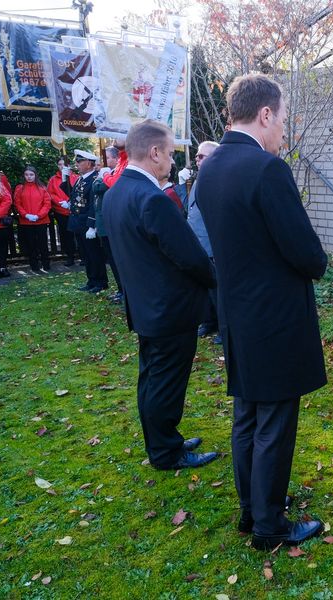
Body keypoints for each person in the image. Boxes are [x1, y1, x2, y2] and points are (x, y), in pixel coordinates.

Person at [198, 74, 328, 551]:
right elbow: (302, 249)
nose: (283, 132)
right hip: (274, 316)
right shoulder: (266, 169)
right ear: (265, 114)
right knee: (273, 420)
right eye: (283, 119)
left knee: (247, 416)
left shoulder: (210, 169)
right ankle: (270, 526)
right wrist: (320, 262)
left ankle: (252, 510)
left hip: (236, 313)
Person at [102, 119, 218, 471]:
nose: (171, 162)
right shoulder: (152, 199)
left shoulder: (116, 192)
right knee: (165, 383)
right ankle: (167, 452)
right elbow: (190, 255)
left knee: (151, 379)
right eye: (168, 154)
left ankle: (162, 440)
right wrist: (215, 278)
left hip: (145, 305)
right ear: (154, 152)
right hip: (169, 310)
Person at [186, 140, 220, 340]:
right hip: (198, 245)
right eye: (197, 156)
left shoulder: (219, 181)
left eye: (201, 156)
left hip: (212, 246)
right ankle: (209, 321)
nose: (197, 160)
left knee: (218, 291)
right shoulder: (200, 179)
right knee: (205, 289)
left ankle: (224, 328)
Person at [62, 148, 107, 292]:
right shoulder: (82, 178)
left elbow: (94, 204)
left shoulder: (94, 178)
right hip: (78, 222)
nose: (77, 164)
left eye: (79, 161)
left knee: (94, 254)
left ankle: (100, 282)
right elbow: (74, 196)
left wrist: (91, 225)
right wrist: (65, 180)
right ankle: (91, 280)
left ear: (89, 163)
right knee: (85, 254)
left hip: (87, 223)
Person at [94, 147, 124, 304]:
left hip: (112, 224)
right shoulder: (109, 173)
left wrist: (104, 175)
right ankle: (121, 289)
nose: (104, 162)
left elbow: (101, 187)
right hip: (105, 224)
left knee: (118, 260)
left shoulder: (116, 173)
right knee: (112, 260)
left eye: (107, 158)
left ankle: (124, 290)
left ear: (116, 159)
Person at [14, 166, 52, 273]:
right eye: (26, 175)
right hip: (26, 221)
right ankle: (34, 265)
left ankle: (46, 264)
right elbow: (17, 203)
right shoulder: (20, 188)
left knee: (43, 243)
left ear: (35, 175)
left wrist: (39, 215)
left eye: (31, 175)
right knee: (31, 244)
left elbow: (47, 204)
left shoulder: (42, 188)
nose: (29, 177)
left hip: (41, 220)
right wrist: (25, 215)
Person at [48, 156, 79, 266]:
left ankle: (83, 257)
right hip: (61, 211)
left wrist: (71, 203)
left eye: (64, 164)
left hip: (75, 211)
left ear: (69, 166)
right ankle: (69, 257)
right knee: (66, 235)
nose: (62, 166)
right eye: (60, 164)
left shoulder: (75, 177)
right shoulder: (53, 179)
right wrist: (61, 202)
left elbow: (79, 192)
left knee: (78, 234)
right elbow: (50, 194)